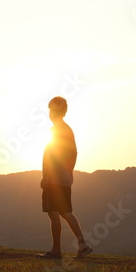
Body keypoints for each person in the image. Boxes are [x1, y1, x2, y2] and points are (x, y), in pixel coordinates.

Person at [37, 96, 92, 259]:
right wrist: (68, 172)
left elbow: (53, 157)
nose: (49, 113)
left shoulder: (59, 131)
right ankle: (82, 246)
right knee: (65, 211)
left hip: (53, 179)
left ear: (54, 112)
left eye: (51, 110)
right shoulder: (65, 130)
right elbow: (73, 154)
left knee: (54, 213)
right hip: (63, 178)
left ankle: (56, 251)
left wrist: (47, 176)